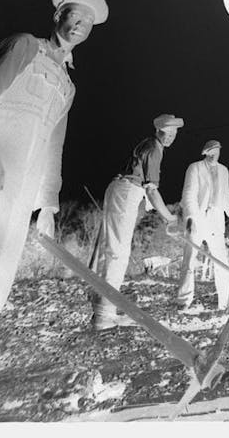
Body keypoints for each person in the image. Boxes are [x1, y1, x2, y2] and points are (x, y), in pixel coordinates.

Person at [0, 0, 108, 323]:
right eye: (75, 14)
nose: (80, 24)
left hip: (25, 182)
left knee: (5, 261)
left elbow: (54, 145)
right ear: (58, 15)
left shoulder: (68, 86)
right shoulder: (25, 46)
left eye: (87, 21)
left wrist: (48, 205)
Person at [91, 114, 181, 330]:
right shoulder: (155, 149)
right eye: (169, 133)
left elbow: (144, 189)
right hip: (126, 191)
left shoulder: (148, 144)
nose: (171, 137)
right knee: (118, 253)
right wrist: (170, 217)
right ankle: (105, 315)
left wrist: (161, 217)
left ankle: (101, 307)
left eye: (174, 133)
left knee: (114, 250)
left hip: (123, 191)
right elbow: (151, 190)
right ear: (162, 133)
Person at [176, 140, 229, 310]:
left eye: (217, 150)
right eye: (211, 151)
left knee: (221, 261)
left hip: (215, 219)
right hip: (198, 216)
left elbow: (225, 195)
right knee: (190, 258)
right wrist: (191, 218)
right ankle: (183, 301)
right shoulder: (195, 168)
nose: (214, 154)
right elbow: (189, 194)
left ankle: (224, 302)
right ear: (205, 152)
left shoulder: (224, 170)